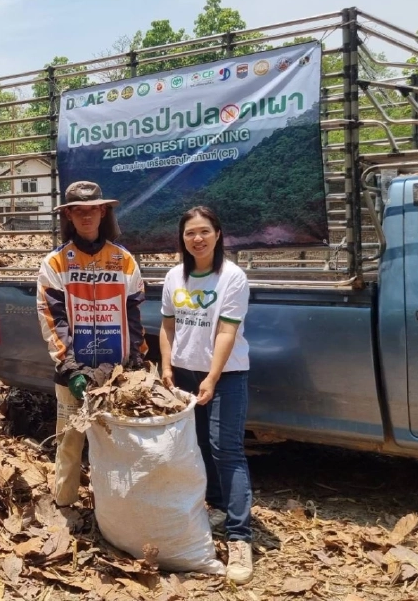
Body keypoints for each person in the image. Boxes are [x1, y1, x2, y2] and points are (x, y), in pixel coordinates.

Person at [159, 206, 254, 585]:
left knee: (226, 449)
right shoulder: (174, 277)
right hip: (185, 373)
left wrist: (213, 377)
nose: (197, 239)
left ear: (218, 234)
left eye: (204, 232)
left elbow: (227, 332)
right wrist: (167, 367)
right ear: (182, 239)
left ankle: (240, 537)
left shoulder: (232, 277)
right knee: (197, 445)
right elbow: (167, 326)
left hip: (226, 374)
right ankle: (216, 506)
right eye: (189, 233)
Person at [37, 180, 147, 507]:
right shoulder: (55, 263)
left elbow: (134, 313)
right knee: (70, 442)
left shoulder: (123, 259)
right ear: (69, 215)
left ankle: (113, 509)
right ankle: (63, 505)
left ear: (102, 213)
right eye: (78, 211)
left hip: (116, 373)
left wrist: (135, 359)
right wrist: (71, 368)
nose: (86, 217)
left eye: (92, 210)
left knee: (116, 443)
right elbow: (52, 319)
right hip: (74, 371)